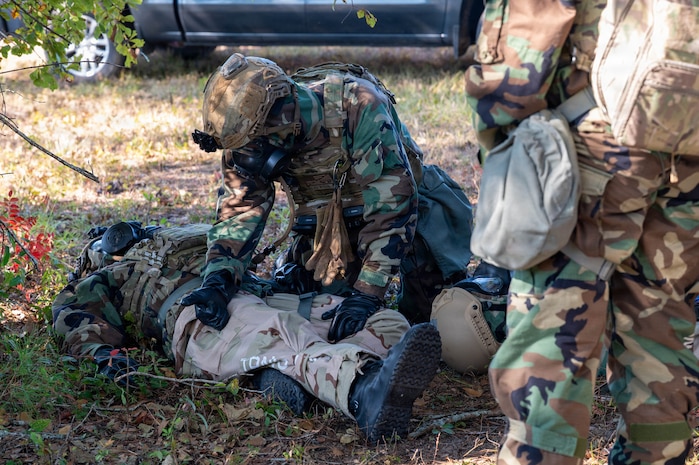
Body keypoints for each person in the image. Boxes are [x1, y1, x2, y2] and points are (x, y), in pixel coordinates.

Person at [465, 4, 699, 465]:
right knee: (661, 317)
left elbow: (530, 18)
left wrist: (500, 135)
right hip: (690, 134)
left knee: (554, 322)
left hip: (600, 129)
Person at [52, 222, 442, 443]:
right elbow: (73, 319)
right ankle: (362, 394)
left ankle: (291, 379)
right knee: (282, 334)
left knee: (387, 321)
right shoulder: (108, 278)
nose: (119, 233)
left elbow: (239, 238)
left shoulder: (185, 235)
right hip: (204, 318)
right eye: (105, 237)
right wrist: (103, 356)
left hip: (266, 296)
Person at [187, 52, 478, 328]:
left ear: (284, 115)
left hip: (409, 215)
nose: (250, 158)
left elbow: (393, 206)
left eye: (257, 146)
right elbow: (239, 211)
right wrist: (218, 279)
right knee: (318, 305)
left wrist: (368, 293)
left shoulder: (358, 105)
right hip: (332, 225)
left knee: (432, 314)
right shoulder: (247, 135)